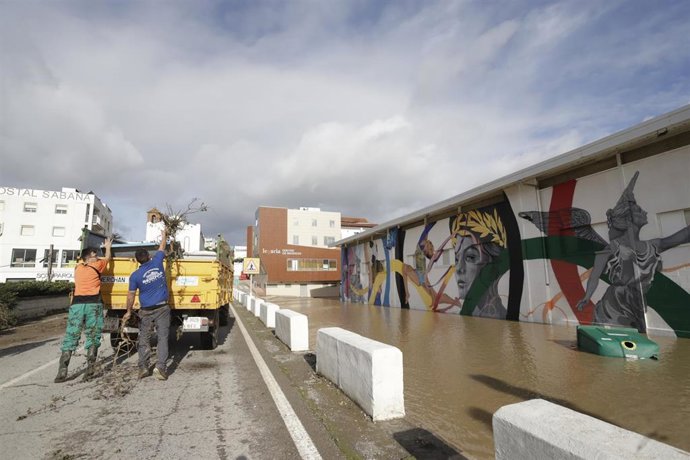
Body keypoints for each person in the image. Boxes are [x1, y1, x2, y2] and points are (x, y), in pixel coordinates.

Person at [576, 171, 690, 332]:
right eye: (638, 210)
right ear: (627, 219)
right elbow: (594, 276)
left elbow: (683, 236)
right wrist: (587, 297)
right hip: (613, 308)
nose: (644, 212)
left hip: (637, 305)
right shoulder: (611, 249)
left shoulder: (653, 246)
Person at [54, 237, 113, 383]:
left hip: (77, 305)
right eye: (94, 254)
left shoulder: (78, 267)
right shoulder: (98, 264)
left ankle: (62, 371)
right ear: (90, 257)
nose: (96, 256)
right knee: (93, 334)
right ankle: (90, 368)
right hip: (93, 303)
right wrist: (107, 246)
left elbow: (84, 258)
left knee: (71, 334)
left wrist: (89, 256)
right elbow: (108, 257)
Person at [123, 229, 170, 380]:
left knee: (144, 338)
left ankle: (143, 367)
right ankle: (160, 368)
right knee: (162, 337)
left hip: (146, 310)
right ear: (149, 257)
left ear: (137, 261)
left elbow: (130, 295)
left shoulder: (135, 276)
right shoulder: (157, 262)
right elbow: (162, 247)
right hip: (162, 308)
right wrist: (164, 235)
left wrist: (128, 311)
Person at [451, 210, 507, 319]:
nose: (459, 269)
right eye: (456, 259)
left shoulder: (501, 320)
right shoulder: (470, 316)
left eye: (470, 257)